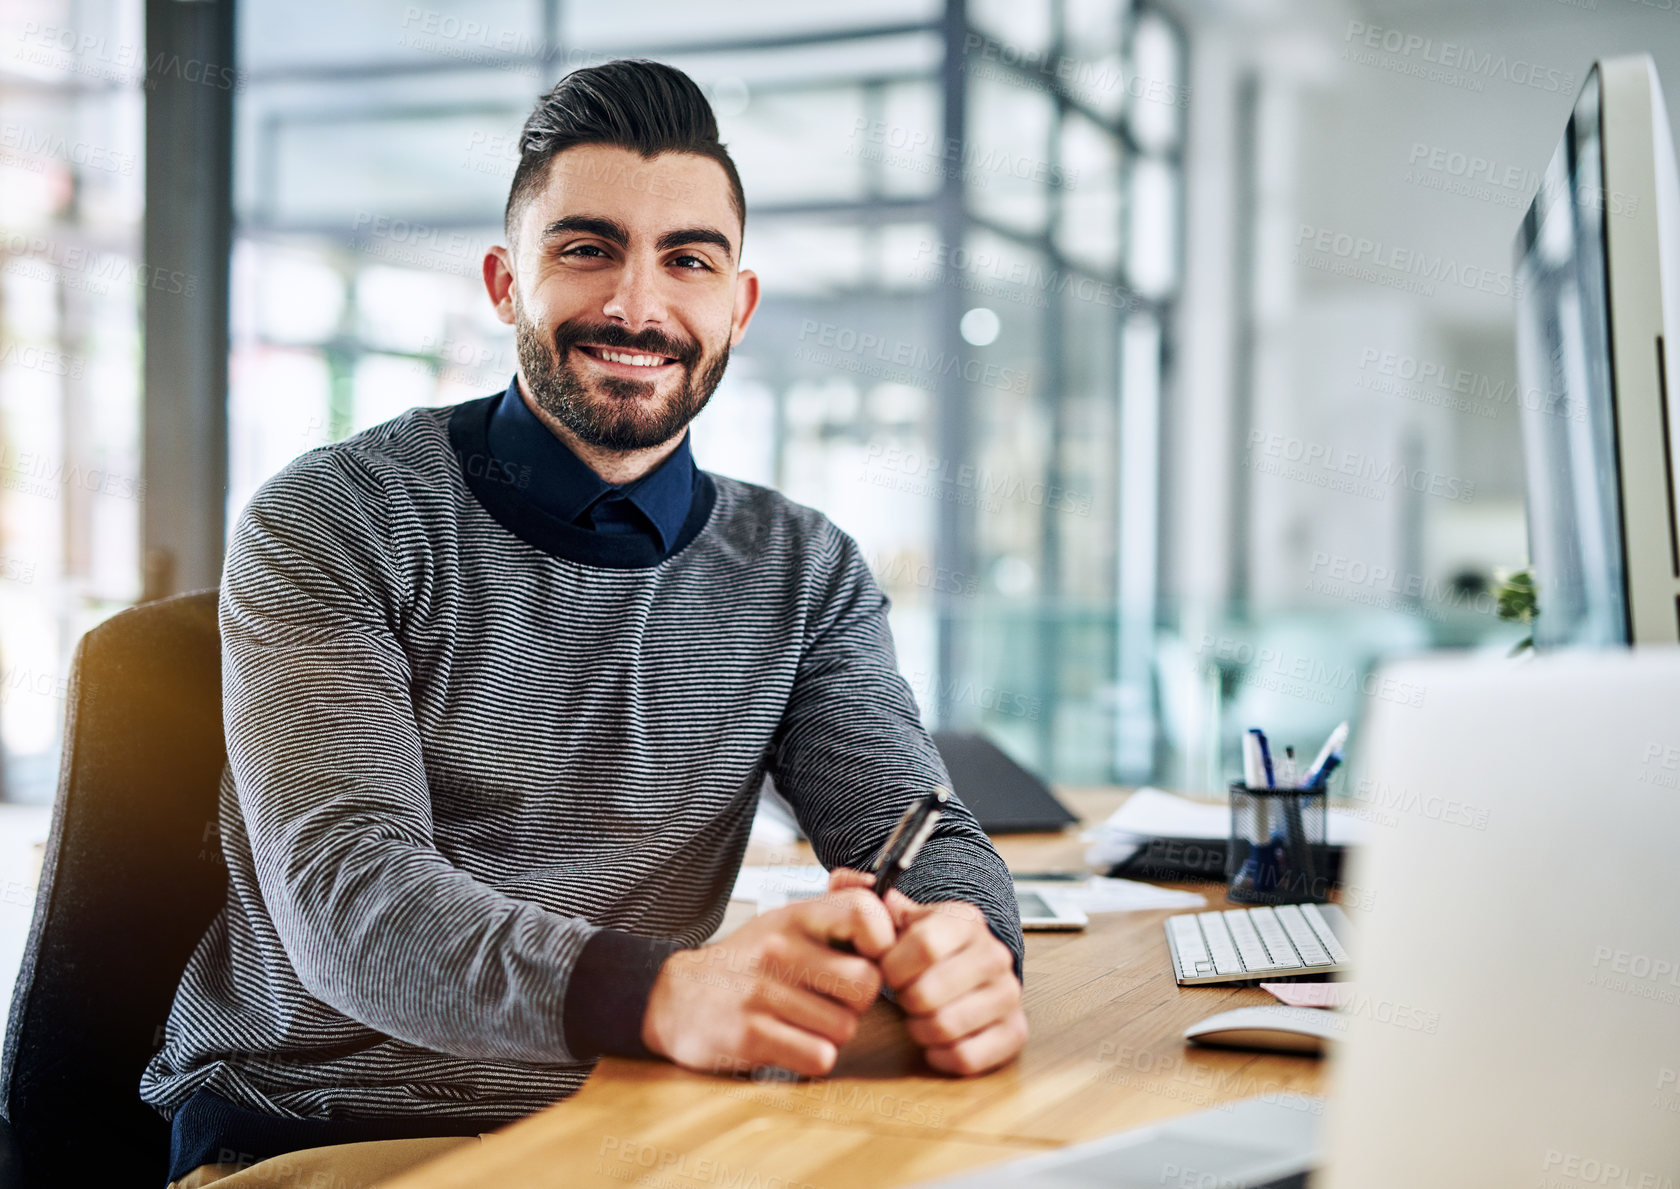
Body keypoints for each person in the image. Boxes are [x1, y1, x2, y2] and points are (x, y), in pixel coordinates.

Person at [142, 58, 1026, 1189]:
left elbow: (921, 830)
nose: (636, 307)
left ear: (737, 306)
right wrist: (664, 992)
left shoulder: (807, 570)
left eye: (688, 261)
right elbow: (347, 897)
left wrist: (971, 944)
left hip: (636, 1124)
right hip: (334, 1124)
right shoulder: (334, 519)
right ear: (507, 281)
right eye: (587, 248)